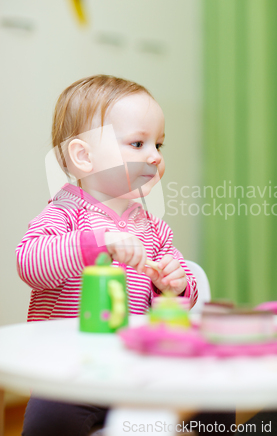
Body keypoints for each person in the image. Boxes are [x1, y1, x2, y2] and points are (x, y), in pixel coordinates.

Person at [16, 74, 198, 436]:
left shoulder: (154, 230)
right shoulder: (65, 214)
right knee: (48, 421)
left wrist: (175, 286)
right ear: (83, 156)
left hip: (134, 373)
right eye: (137, 143)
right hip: (68, 372)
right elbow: (30, 262)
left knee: (212, 401)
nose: (154, 156)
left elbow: (182, 296)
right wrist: (98, 241)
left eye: (159, 145)